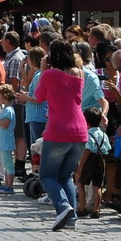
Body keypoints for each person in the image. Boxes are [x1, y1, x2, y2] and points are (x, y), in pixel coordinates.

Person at [34, 39, 88, 231]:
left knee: (47, 175)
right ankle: (71, 218)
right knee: (65, 176)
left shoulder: (49, 75)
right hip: (80, 131)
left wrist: (42, 69)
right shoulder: (79, 73)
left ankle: (63, 206)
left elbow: (39, 97)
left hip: (58, 129)